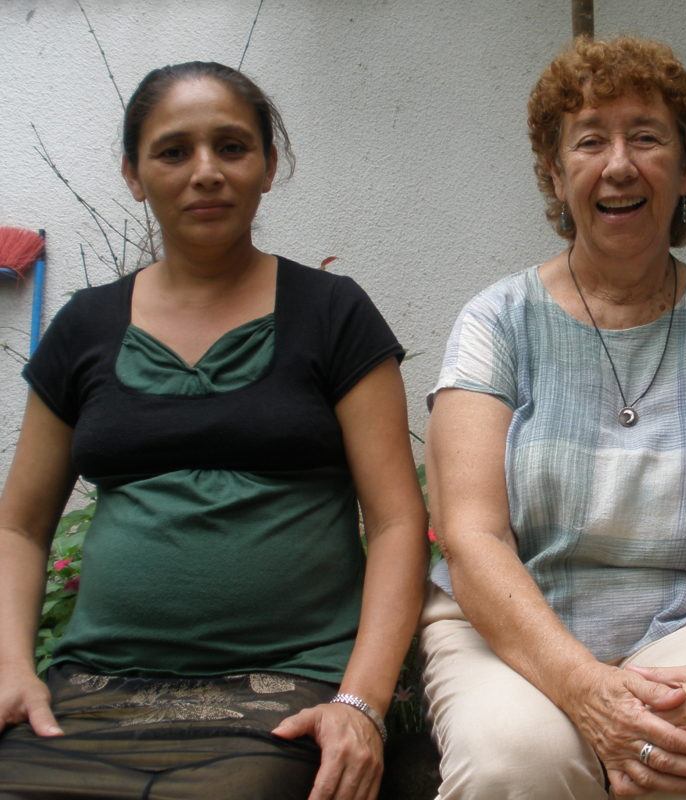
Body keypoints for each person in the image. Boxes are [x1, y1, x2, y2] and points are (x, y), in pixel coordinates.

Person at [0, 61, 428, 800]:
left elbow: (394, 522)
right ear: (134, 174)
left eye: (232, 147)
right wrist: (12, 669)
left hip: (287, 695)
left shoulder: (332, 314)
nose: (206, 172)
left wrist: (359, 704)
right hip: (95, 691)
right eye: (174, 151)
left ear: (268, 167)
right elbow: (20, 527)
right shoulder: (84, 328)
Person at [421, 36, 686, 799]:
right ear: (555, 171)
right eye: (590, 140)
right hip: (510, 621)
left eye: (647, 136)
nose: (620, 164)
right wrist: (586, 691)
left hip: (684, 618)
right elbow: (473, 534)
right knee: (517, 764)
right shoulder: (495, 323)